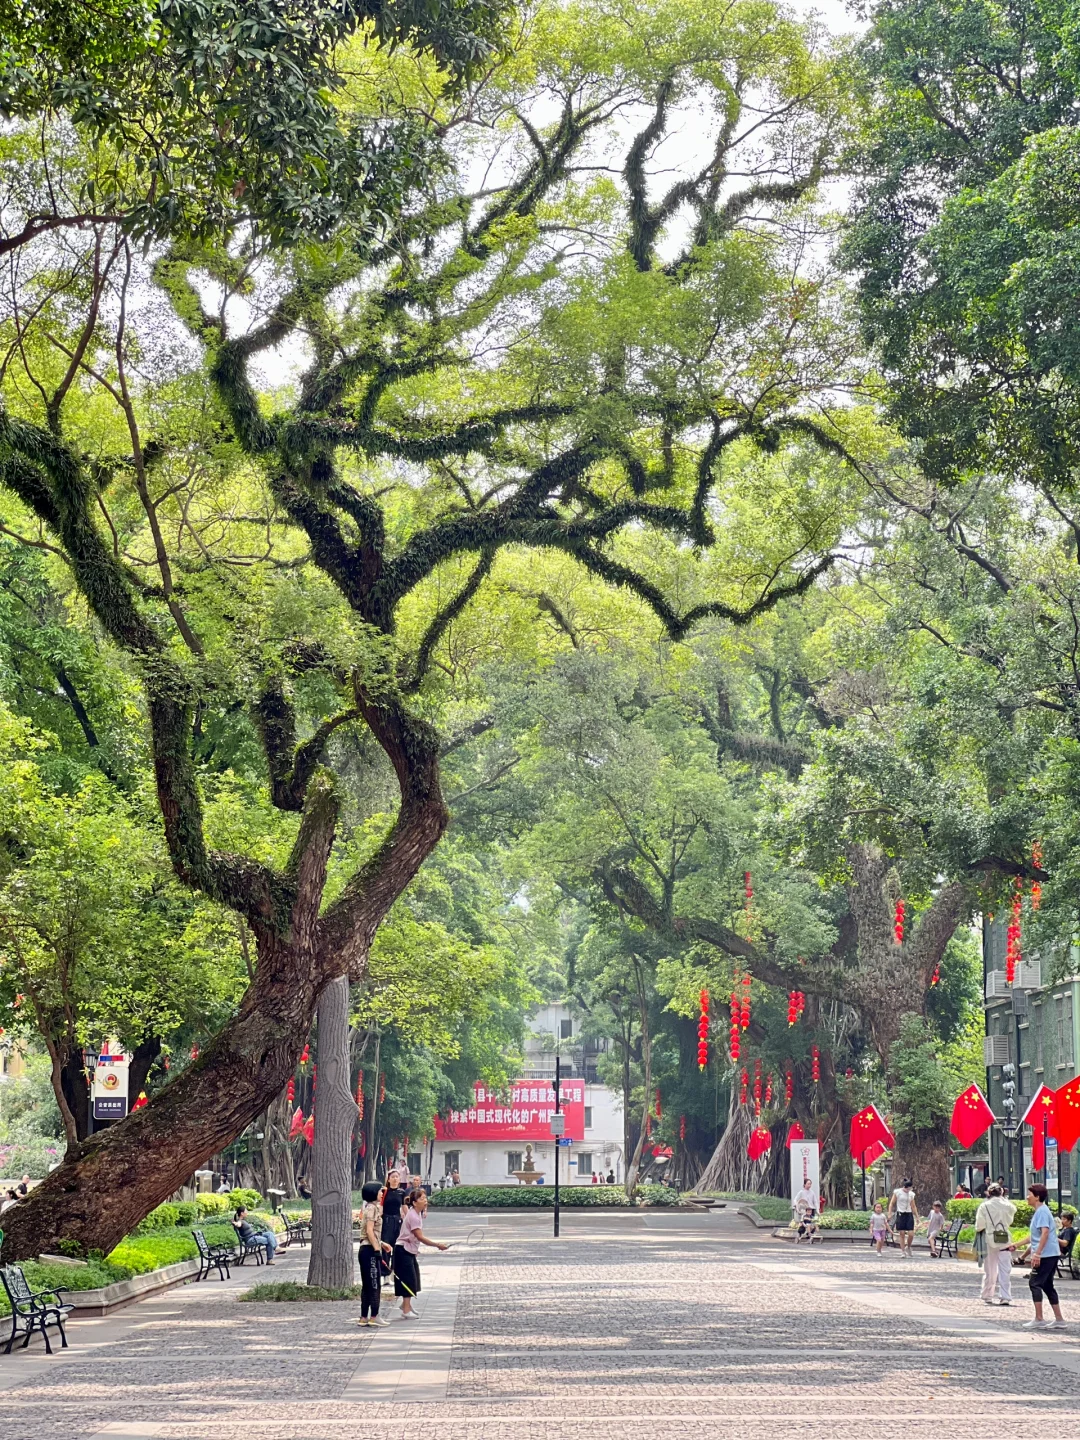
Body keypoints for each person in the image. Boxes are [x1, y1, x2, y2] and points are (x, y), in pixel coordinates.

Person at [394, 1187, 449, 1318]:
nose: (425, 1201)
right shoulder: (413, 1216)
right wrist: (437, 1245)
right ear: (414, 1202)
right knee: (408, 1280)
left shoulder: (417, 1213)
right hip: (402, 1250)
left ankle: (406, 1305)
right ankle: (406, 1311)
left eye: (425, 1198)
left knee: (414, 1279)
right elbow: (419, 1236)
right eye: (422, 1199)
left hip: (408, 1250)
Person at [1024, 1183, 1066, 1329]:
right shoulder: (1041, 1211)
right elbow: (1033, 1237)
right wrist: (1018, 1248)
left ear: (1037, 1197)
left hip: (1046, 1255)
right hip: (1050, 1254)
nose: (1027, 1197)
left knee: (1034, 1283)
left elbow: (1045, 1233)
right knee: (1047, 1285)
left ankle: (1039, 1318)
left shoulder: (1041, 1211)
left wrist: (1037, 1254)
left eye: (1029, 1194)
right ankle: (1059, 1319)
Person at [357, 1181, 393, 1327]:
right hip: (370, 1251)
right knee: (373, 1284)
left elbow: (368, 1232)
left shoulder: (369, 1208)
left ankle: (364, 1317)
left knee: (367, 1285)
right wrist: (377, 1250)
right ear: (373, 1193)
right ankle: (374, 1316)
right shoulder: (372, 1208)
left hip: (366, 1248)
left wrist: (382, 1244)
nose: (381, 1194)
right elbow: (370, 1231)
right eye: (379, 1191)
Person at [974, 1183, 1016, 1305]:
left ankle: (987, 1294)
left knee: (990, 1269)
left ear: (989, 1193)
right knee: (1005, 1269)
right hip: (1005, 1239)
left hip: (989, 1239)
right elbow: (1012, 1215)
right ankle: (1005, 1296)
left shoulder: (984, 1206)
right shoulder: (1008, 1206)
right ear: (1001, 1193)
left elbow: (979, 1225)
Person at [379, 1170, 406, 1286]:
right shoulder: (384, 1192)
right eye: (393, 1177)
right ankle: (385, 1274)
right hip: (386, 1221)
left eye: (397, 1177)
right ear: (388, 1179)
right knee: (386, 1248)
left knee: (397, 1248)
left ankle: (394, 1273)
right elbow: (379, 1206)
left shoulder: (402, 1192)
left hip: (397, 1221)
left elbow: (404, 1207)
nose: (395, 1179)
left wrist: (410, 1221)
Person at [888, 1178, 919, 1258]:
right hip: (900, 1213)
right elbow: (892, 1203)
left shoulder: (911, 1194)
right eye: (909, 1188)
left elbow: (913, 1206)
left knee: (911, 1233)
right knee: (901, 1233)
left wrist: (917, 1217)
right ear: (906, 1187)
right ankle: (902, 1251)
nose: (910, 1189)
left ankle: (908, 1246)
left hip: (908, 1214)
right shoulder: (898, 1192)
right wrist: (890, 1213)